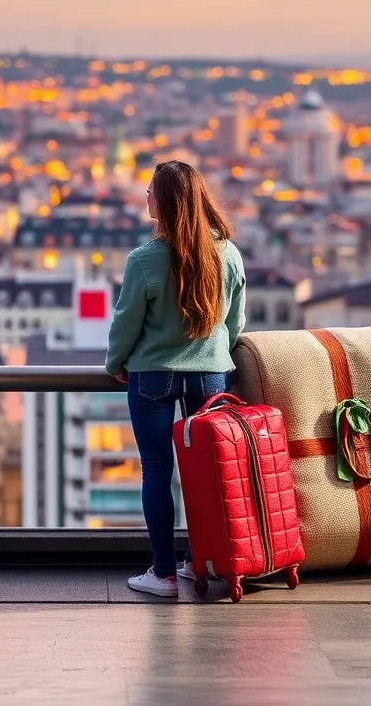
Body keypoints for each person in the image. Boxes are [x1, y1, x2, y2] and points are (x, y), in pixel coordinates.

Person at [105, 161, 246, 597]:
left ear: (163, 203)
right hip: (210, 373)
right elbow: (235, 323)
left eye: (149, 190)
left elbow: (126, 324)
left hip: (151, 376)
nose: (145, 195)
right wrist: (219, 352)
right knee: (208, 474)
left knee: (156, 472)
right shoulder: (227, 253)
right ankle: (203, 563)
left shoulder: (144, 260)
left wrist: (115, 364)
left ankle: (163, 573)